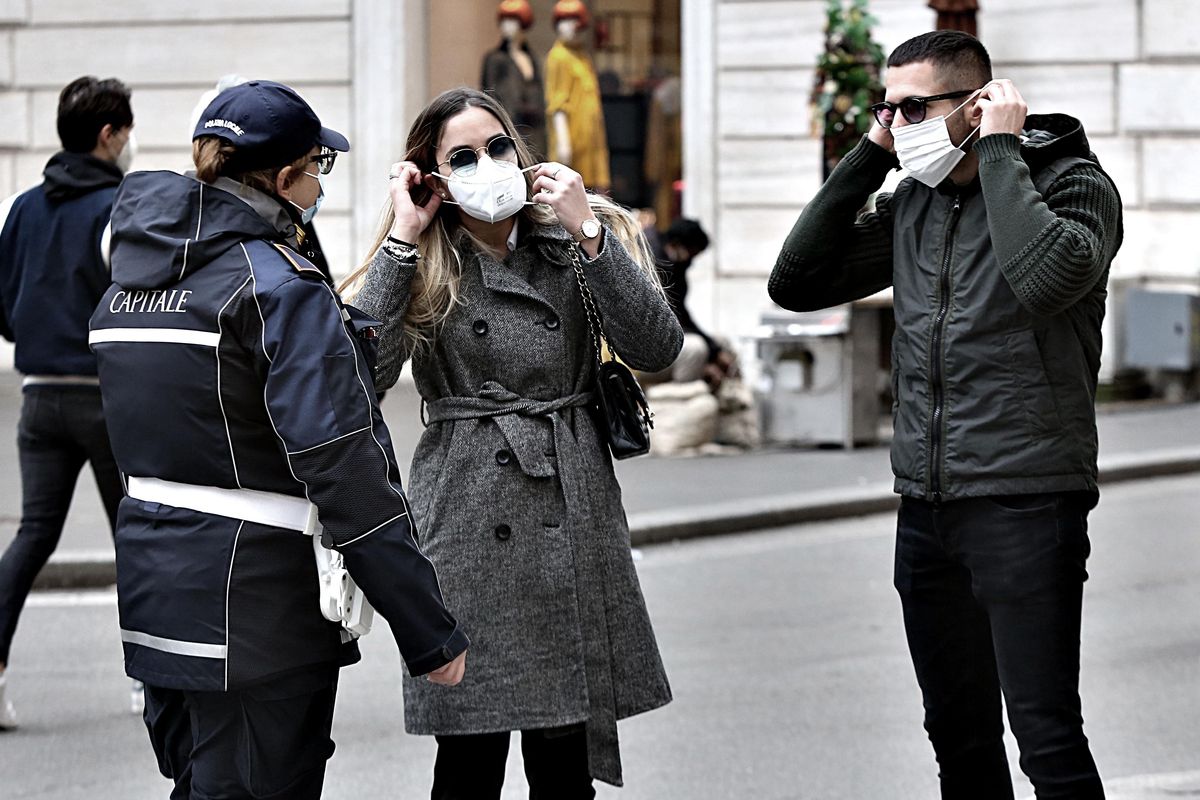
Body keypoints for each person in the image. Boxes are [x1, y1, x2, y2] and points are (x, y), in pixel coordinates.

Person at [88, 80, 468, 798]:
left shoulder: (131, 281)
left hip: (155, 594)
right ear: (286, 176)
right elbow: (344, 465)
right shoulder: (277, 286)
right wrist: (427, 629)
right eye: (318, 167)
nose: (320, 184)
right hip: (258, 614)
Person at [768, 31, 1122, 800]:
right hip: (927, 506)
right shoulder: (916, 201)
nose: (898, 123)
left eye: (914, 108)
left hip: (1025, 498)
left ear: (978, 103)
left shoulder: (1075, 185)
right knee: (958, 737)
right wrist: (870, 155)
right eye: (887, 107)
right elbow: (795, 281)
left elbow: (1046, 278)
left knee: (1047, 736)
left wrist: (999, 152)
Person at [342, 86, 681, 797]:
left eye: (498, 147)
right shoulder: (424, 256)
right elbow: (357, 379)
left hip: (569, 498)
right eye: (463, 157)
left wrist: (589, 233)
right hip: (467, 511)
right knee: (469, 756)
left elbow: (657, 347)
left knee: (563, 762)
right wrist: (402, 240)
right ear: (433, 177)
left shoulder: (574, 238)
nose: (487, 164)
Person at [0, 76, 136, 730]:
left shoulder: (21, 207)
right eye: (127, 132)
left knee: (33, 535)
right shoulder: (119, 206)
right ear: (109, 136)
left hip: (38, 399)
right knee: (134, 538)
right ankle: (149, 681)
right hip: (105, 399)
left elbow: (4, 307)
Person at [646, 217, 735, 390]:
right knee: (696, 349)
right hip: (646, 345)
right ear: (677, 245)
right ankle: (683, 398)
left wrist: (715, 351)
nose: (691, 262)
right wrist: (708, 358)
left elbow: (680, 313)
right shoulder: (655, 266)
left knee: (722, 343)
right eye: (692, 254)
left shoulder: (675, 266)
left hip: (665, 336)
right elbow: (670, 319)